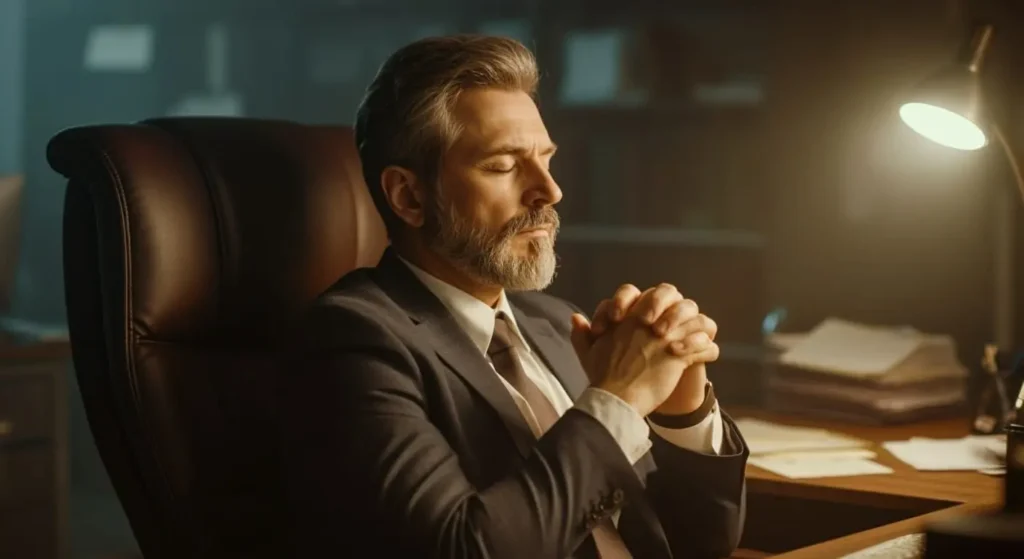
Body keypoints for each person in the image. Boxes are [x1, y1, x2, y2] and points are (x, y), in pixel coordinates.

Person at [280, 34, 749, 559]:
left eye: (546, 159)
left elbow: (703, 543)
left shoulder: (557, 322)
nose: (549, 191)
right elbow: (466, 547)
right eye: (504, 165)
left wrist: (680, 410)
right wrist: (619, 399)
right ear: (409, 197)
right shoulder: (352, 341)